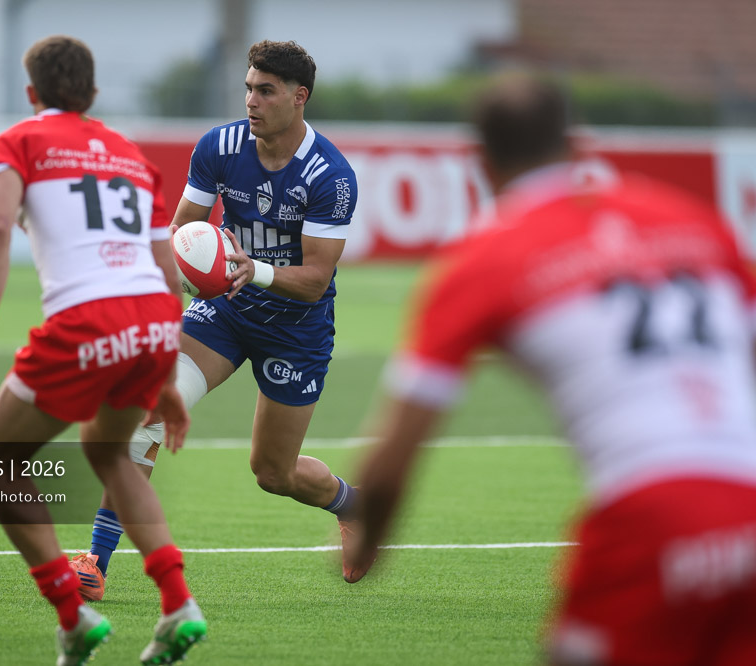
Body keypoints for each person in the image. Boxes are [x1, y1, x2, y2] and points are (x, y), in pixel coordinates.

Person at [349, 72, 756, 665]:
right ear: (577, 145)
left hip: (650, 517)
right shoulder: (690, 218)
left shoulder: (483, 261)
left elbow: (397, 448)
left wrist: (368, 540)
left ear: (480, 164)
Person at [73, 39, 369, 600]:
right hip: (224, 312)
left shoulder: (330, 175)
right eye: (249, 89)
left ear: (299, 97)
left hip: (296, 329)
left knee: (273, 473)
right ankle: (95, 560)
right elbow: (182, 230)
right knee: (146, 415)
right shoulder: (220, 146)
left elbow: (315, 279)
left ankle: (355, 506)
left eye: (266, 91)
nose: (252, 101)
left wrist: (254, 269)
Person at [0, 35, 207, 666]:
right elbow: (166, 267)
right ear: (92, 93)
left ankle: (72, 613)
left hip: (89, 319)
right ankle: (178, 603)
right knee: (111, 453)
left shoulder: (18, 142)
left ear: (31, 92)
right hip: (153, 322)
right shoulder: (129, 154)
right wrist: (164, 368)